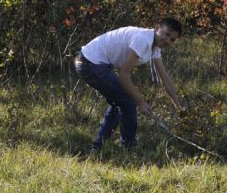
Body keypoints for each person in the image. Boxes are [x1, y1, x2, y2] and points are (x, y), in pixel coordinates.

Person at [74, 18, 185, 154]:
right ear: (157, 28)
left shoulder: (154, 47)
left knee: (120, 100)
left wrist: (178, 106)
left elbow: (164, 79)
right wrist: (140, 102)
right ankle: (128, 147)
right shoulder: (143, 40)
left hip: (92, 63)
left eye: (172, 39)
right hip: (89, 63)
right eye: (167, 34)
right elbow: (124, 74)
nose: (168, 41)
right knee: (128, 101)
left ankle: (98, 147)